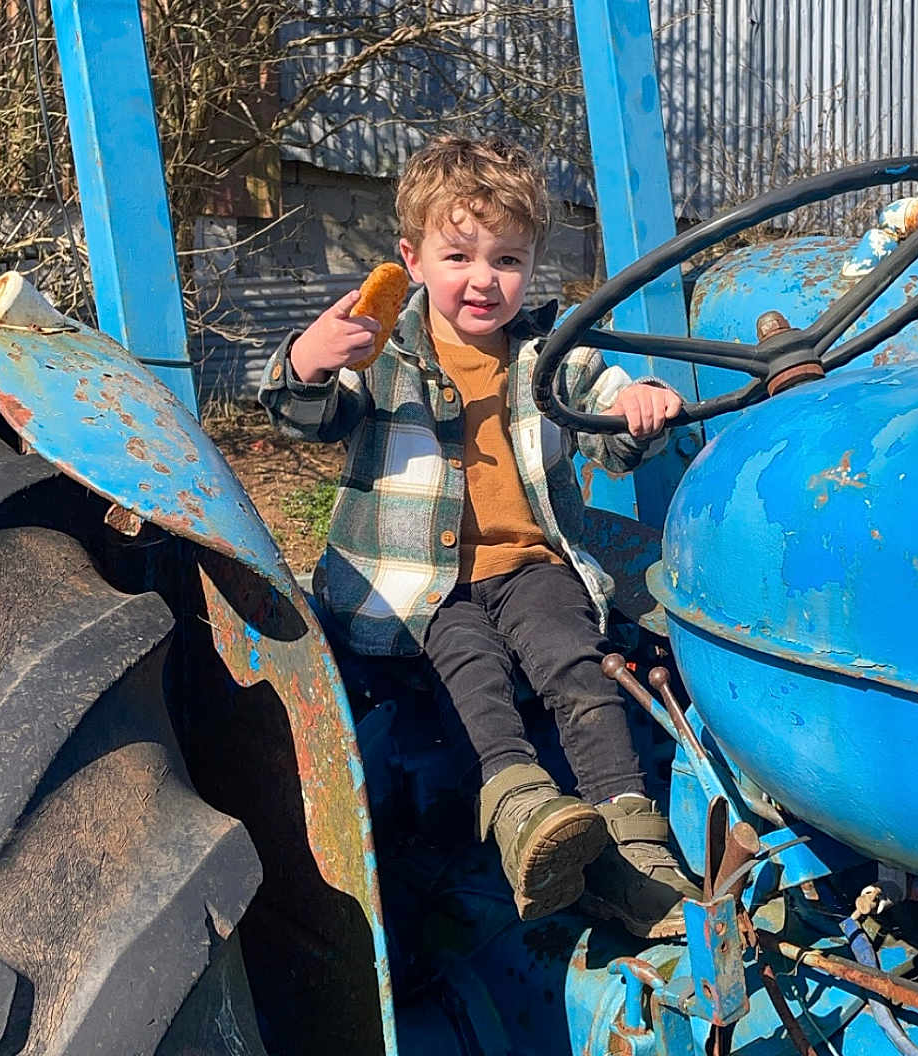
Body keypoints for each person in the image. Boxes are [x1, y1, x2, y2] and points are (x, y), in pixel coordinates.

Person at [259, 134, 700, 938]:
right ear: (412, 259)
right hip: (420, 582)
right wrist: (311, 361)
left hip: (531, 564)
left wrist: (639, 404)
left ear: (532, 267)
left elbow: (606, 413)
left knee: (580, 666)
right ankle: (523, 814)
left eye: (506, 259)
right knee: (472, 668)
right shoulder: (382, 347)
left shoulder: (548, 348)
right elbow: (308, 416)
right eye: (458, 255)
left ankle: (638, 851)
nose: (483, 280)